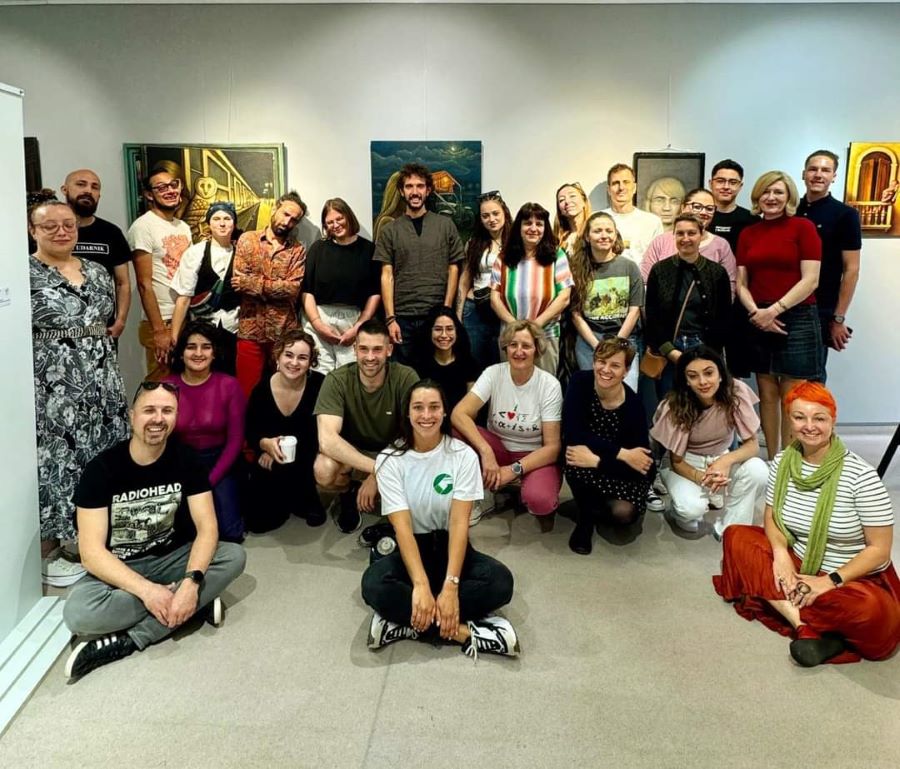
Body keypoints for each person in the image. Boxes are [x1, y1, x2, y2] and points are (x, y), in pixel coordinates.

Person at [62, 381, 246, 680]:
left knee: (234, 556)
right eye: (149, 410)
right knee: (79, 613)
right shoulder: (101, 470)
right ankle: (195, 605)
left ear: (176, 417)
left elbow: (208, 528)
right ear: (132, 416)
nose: (158, 418)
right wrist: (148, 591)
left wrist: (191, 583)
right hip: (122, 567)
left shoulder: (187, 460)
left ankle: (135, 637)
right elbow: (91, 553)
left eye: (167, 411)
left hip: (173, 558)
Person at [714, 382, 899, 667]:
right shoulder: (782, 462)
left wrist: (828, 581)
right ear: (789, 419)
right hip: (796, 559)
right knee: (736, 536)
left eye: (819, 418)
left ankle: (793, 607)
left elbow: (879, 551)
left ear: (833, 420)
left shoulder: (861, 477)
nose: (809, 426)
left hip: (849, 577)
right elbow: (772, 517)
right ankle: (804, 625)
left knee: (874, 613)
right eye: (800, 417)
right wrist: (780, 557)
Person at [361, 380, 518, 658]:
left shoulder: (463, 456)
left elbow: (459, 524)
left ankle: (406, 624)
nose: (426, 415)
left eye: (434, 407)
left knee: (500, 582)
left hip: (450, 545)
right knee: (373, 585)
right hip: (412, 546)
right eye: (418, 408)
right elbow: (402, 528)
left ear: (445, 412)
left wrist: (451, 586)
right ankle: (463, 632)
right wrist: (421, 585)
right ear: (407, 412)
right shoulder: (389, 459)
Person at [29, 200, 129, 587]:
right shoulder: (22, 274)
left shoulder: (98, 271)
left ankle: (96, 540)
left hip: (102, 381)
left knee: (102, 454)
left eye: (68, 224)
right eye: (49, 226)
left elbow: (104, 318)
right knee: (59, 461)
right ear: (33, 231)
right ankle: (57, 548)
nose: (61, 231)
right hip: (52, 388)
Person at [736, 171, 822, 459]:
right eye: (766, 192)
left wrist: (774, 310)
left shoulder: (803, 227)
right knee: (767, 393)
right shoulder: (749, 233)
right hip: (758, 316)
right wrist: (757, 312)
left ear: (789, 197)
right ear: (757, 196)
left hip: (797, 317)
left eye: (778, 192)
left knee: (792, 397)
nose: (771, 197)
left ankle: (790, 459)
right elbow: (741, 283)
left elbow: (811, 280)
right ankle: (773, 460)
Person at [452, 320, 563, 530]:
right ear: (505, 348)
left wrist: (514, 470)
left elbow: (552, 448)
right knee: (457, 430)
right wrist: (486, 451)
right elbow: (459, 413)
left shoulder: (549, 385)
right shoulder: (493, 373)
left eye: (526, 346)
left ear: (537, 350)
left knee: (541, 502)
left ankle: (514, 486)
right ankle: (484, 491)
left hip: (533, 456)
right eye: (513, 345)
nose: (519, 351)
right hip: (498, 449)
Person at [313, 319, 419, 534]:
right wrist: (378, 469)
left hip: (395, 451)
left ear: (389, 350)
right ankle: (348, 493)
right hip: (355, 454)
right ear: (355, 349)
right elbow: (327, 440)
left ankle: (391, 496)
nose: (370, 357)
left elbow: (416, 433)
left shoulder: (406, 377)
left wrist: (380, 470)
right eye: (363, 349)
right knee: (323, 469)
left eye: (377, 349)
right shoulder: (337, 380)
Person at [650, 346, 767, 537]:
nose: (703, 382)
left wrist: (724, 461)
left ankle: (731, 527)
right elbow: (676, 461)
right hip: (686, 463)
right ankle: (683, 509)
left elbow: (752, 445)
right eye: (693, 376)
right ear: (686, 380)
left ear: (720, 374)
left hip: (722, 457)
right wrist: (703, 478)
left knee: (759, 470)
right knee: (691, 514)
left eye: (709, 373)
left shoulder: (735, 391)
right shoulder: (676, 404)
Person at [563, 337, 654, 555]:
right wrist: (622, 453)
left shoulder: (633, 406)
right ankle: (585, 519)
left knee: (624, 514)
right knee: (574, 453)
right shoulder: (580, 382)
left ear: (626, 370)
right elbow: (573, 432)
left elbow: (644, 468)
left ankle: (595, 507)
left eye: (615, 365)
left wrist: (598, 461)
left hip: (617, 470)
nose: (605, 370)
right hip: (587, 459)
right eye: (601, 362)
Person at [374, 163, 465, 366]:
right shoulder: (390, 230)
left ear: (428, 190)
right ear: (401, 191)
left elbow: (454, 268)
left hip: (435, 315)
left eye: (420, 186)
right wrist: (390, 318)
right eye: (409, 186)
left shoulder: (445, 225)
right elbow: (386, 275)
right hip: (402, 318)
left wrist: (446, 310)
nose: (415, 192)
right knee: (404, 375)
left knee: (437, 373)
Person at [163, 321, 246, 542]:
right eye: (191, 347)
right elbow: (161, 439)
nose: (198, 353)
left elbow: (236, 441)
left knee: (230, 532)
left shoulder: (229, 385)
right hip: (180, 463)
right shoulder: (167, 386)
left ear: (214, 353)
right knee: (179, 531)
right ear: (181, 353)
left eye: (206, 347)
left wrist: (209, 481)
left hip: (220, 462)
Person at [245, 329, 327, 532]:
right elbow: (251, 429)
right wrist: (265, 445)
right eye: (288, 355)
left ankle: (305, 493)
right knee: (257, 524)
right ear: (278, 357)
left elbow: (325, 429)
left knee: (313, 514)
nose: (294, 363)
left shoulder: (320, 385)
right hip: (271, 459)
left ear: (311, 362)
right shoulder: (262, 389)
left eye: (302, 358)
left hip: (307, 457)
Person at [644, 214, 732, 395]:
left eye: (691, 233)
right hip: (669, 351)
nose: (685, 238)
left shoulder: (717, 273)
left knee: (704, 403)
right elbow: (652, 316)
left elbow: (724, 318)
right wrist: (669, 351)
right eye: (680, 233)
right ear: (674, 236)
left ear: (701, 235)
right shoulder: (660, 270)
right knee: (669, 403)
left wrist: (708, 353)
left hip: (705, 350)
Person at [232, 191, 307, 396]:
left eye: (294, 220)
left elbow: (292, 289)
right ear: (275, 209)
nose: (287, 222)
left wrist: (253, 284)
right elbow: (238, 283)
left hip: (283, 333)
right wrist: (275, 288)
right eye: (285, 214)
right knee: (247, 393)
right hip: (250, 330)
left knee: (283, 392)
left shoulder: (297, 250)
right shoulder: (248, 239)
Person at [795, 150, 862, 380]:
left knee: (811, 381)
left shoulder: (845, 215)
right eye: (813, 169)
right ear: (803, 173)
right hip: (784, 306)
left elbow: (851, 270)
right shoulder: (790, 210)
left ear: (834, 176)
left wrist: (838, 318)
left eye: (825, 170)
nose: (818, 175)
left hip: (820, 310)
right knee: (782, 377)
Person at [490, 203, 574, 374]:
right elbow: (494, 299)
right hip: (511, 336)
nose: (533, 228)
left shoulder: (557, 256)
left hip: (545, 335)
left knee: (544, 386)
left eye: (539, 224)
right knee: (511, 385)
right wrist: (516, 328)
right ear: (519, 227)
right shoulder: (504, 258)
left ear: (545, 228)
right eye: (528, 223)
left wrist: (534, 326)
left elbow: (564, 297)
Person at [128, 163, 193, 380]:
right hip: (161, 320)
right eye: (161, 187)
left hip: (183, 317)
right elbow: (144, 284)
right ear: (149, 195)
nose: (170, 190)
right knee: (160, 383)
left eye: (173, 184)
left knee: (183, 383)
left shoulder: (183, 227)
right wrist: (159, 330)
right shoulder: (143, 227)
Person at [302, 198, 381, 374]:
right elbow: (307, 291)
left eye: (339, 219)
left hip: (353, 322)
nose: (336, 225)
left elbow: (375, 293)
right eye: (330, 222)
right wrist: (318, 325)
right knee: (319, 374)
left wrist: (359, 327)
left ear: (348, 217)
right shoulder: (318, 249)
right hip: (319, 318)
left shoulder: (369, 250)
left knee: (350, 375)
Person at [570, 212, 643, 388]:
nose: (604, 235)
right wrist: (597, 346)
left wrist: (616, 345)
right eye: (598, 231)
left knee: (625, 394)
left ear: (615, 235)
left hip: (624, 339)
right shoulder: (576, 268)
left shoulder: (629, 266)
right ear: (587, 237)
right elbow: (575, 314)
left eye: (609, 231)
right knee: (593, 395)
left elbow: (634, 311)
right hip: (589, 342)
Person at [170, 202, 240, 373]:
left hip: (233, 329)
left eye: (227, 218)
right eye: (216, 219)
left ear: (234, 224)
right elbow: (184, 298)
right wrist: (175, 337)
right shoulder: (195, 253)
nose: (222, 223)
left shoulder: (241, 254)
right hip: (201, 330)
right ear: (209, 223)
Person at [61, 168, 131, 339]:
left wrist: (121, 320)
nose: (88, 190)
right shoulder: (52, 232)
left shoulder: (111, 233)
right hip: (59, 329)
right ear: (64, 190)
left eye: (95, 187)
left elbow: (122, 283)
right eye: (81, 184)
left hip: (102, 330)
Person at [640, 188, 737, 296]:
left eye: (709, 208)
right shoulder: (661, 242)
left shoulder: (721, 245)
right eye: (697, 207)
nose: (703, 212)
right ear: (683, 207)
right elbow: (645, 282)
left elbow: (729, 288)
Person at [457, 191, 511, 369]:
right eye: (485, 216)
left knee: (505, 365)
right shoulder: (474, 243)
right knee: (476, 366)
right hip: (475, 310)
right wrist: (458, 315)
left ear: (504, 212)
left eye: (495, 213)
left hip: (506, 310)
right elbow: (465, 279)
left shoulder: (517, 241)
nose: (491, 219)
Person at [416, 305, 479, 413]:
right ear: (429, 331)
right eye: (438, 329)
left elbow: (471, 409)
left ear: (457, 331)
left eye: (449, 329)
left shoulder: (469, 364)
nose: (444, 335)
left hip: (459, 420)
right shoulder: (418, 365)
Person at [603, 163, 664, 266]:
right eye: (616, 183)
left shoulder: (653, 222)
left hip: (643, 276)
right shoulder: (597, 220)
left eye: (626, 182)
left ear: (634, 187)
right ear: (609, 190)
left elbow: (660, 260)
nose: (621, 187)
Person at [708, 159, 758, 253]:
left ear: (740, 186)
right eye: (720, 181)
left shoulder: (753, 220)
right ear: (711, 184)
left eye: (733, 182)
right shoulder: (700, 217)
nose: (726, 187)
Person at [553, 181, 592, 254]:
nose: (567, 201)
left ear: (584, 201)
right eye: (561, 200)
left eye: (572, 196)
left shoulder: (596, 231)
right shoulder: (557, 240)